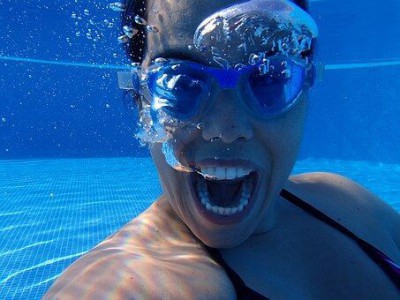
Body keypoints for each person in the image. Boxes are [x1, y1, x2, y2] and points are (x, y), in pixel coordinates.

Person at [45, 0, 400, 298]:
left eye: (269, 78)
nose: (225, 130)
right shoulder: (127, 284)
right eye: (180, 83)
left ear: (306, 84)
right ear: (142, 99)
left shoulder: (344, 198)